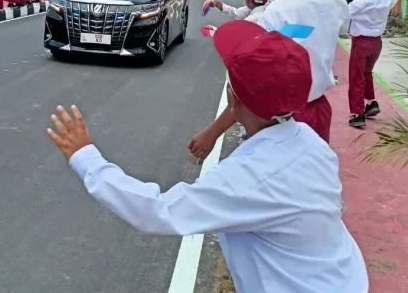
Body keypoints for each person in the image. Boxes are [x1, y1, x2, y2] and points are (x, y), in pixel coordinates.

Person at [48, 20, 368, 293]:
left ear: (233, 96)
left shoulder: (250, 177)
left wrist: (86, 158)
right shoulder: (311, 144)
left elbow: (159, 211)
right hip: (342, 277)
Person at [189, 0, 349, 157]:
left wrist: (212, 133)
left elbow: (248, 88)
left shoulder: (275, 13)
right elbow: (342, 29)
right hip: (319, 113)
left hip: (279, 122)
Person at [347, 0, 401, 128]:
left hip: (361, 43)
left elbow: (342, 16)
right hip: (377, 43)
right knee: (366, 72)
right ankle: (371, 103)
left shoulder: (359, 3)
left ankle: (357, 114)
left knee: (356, 77)